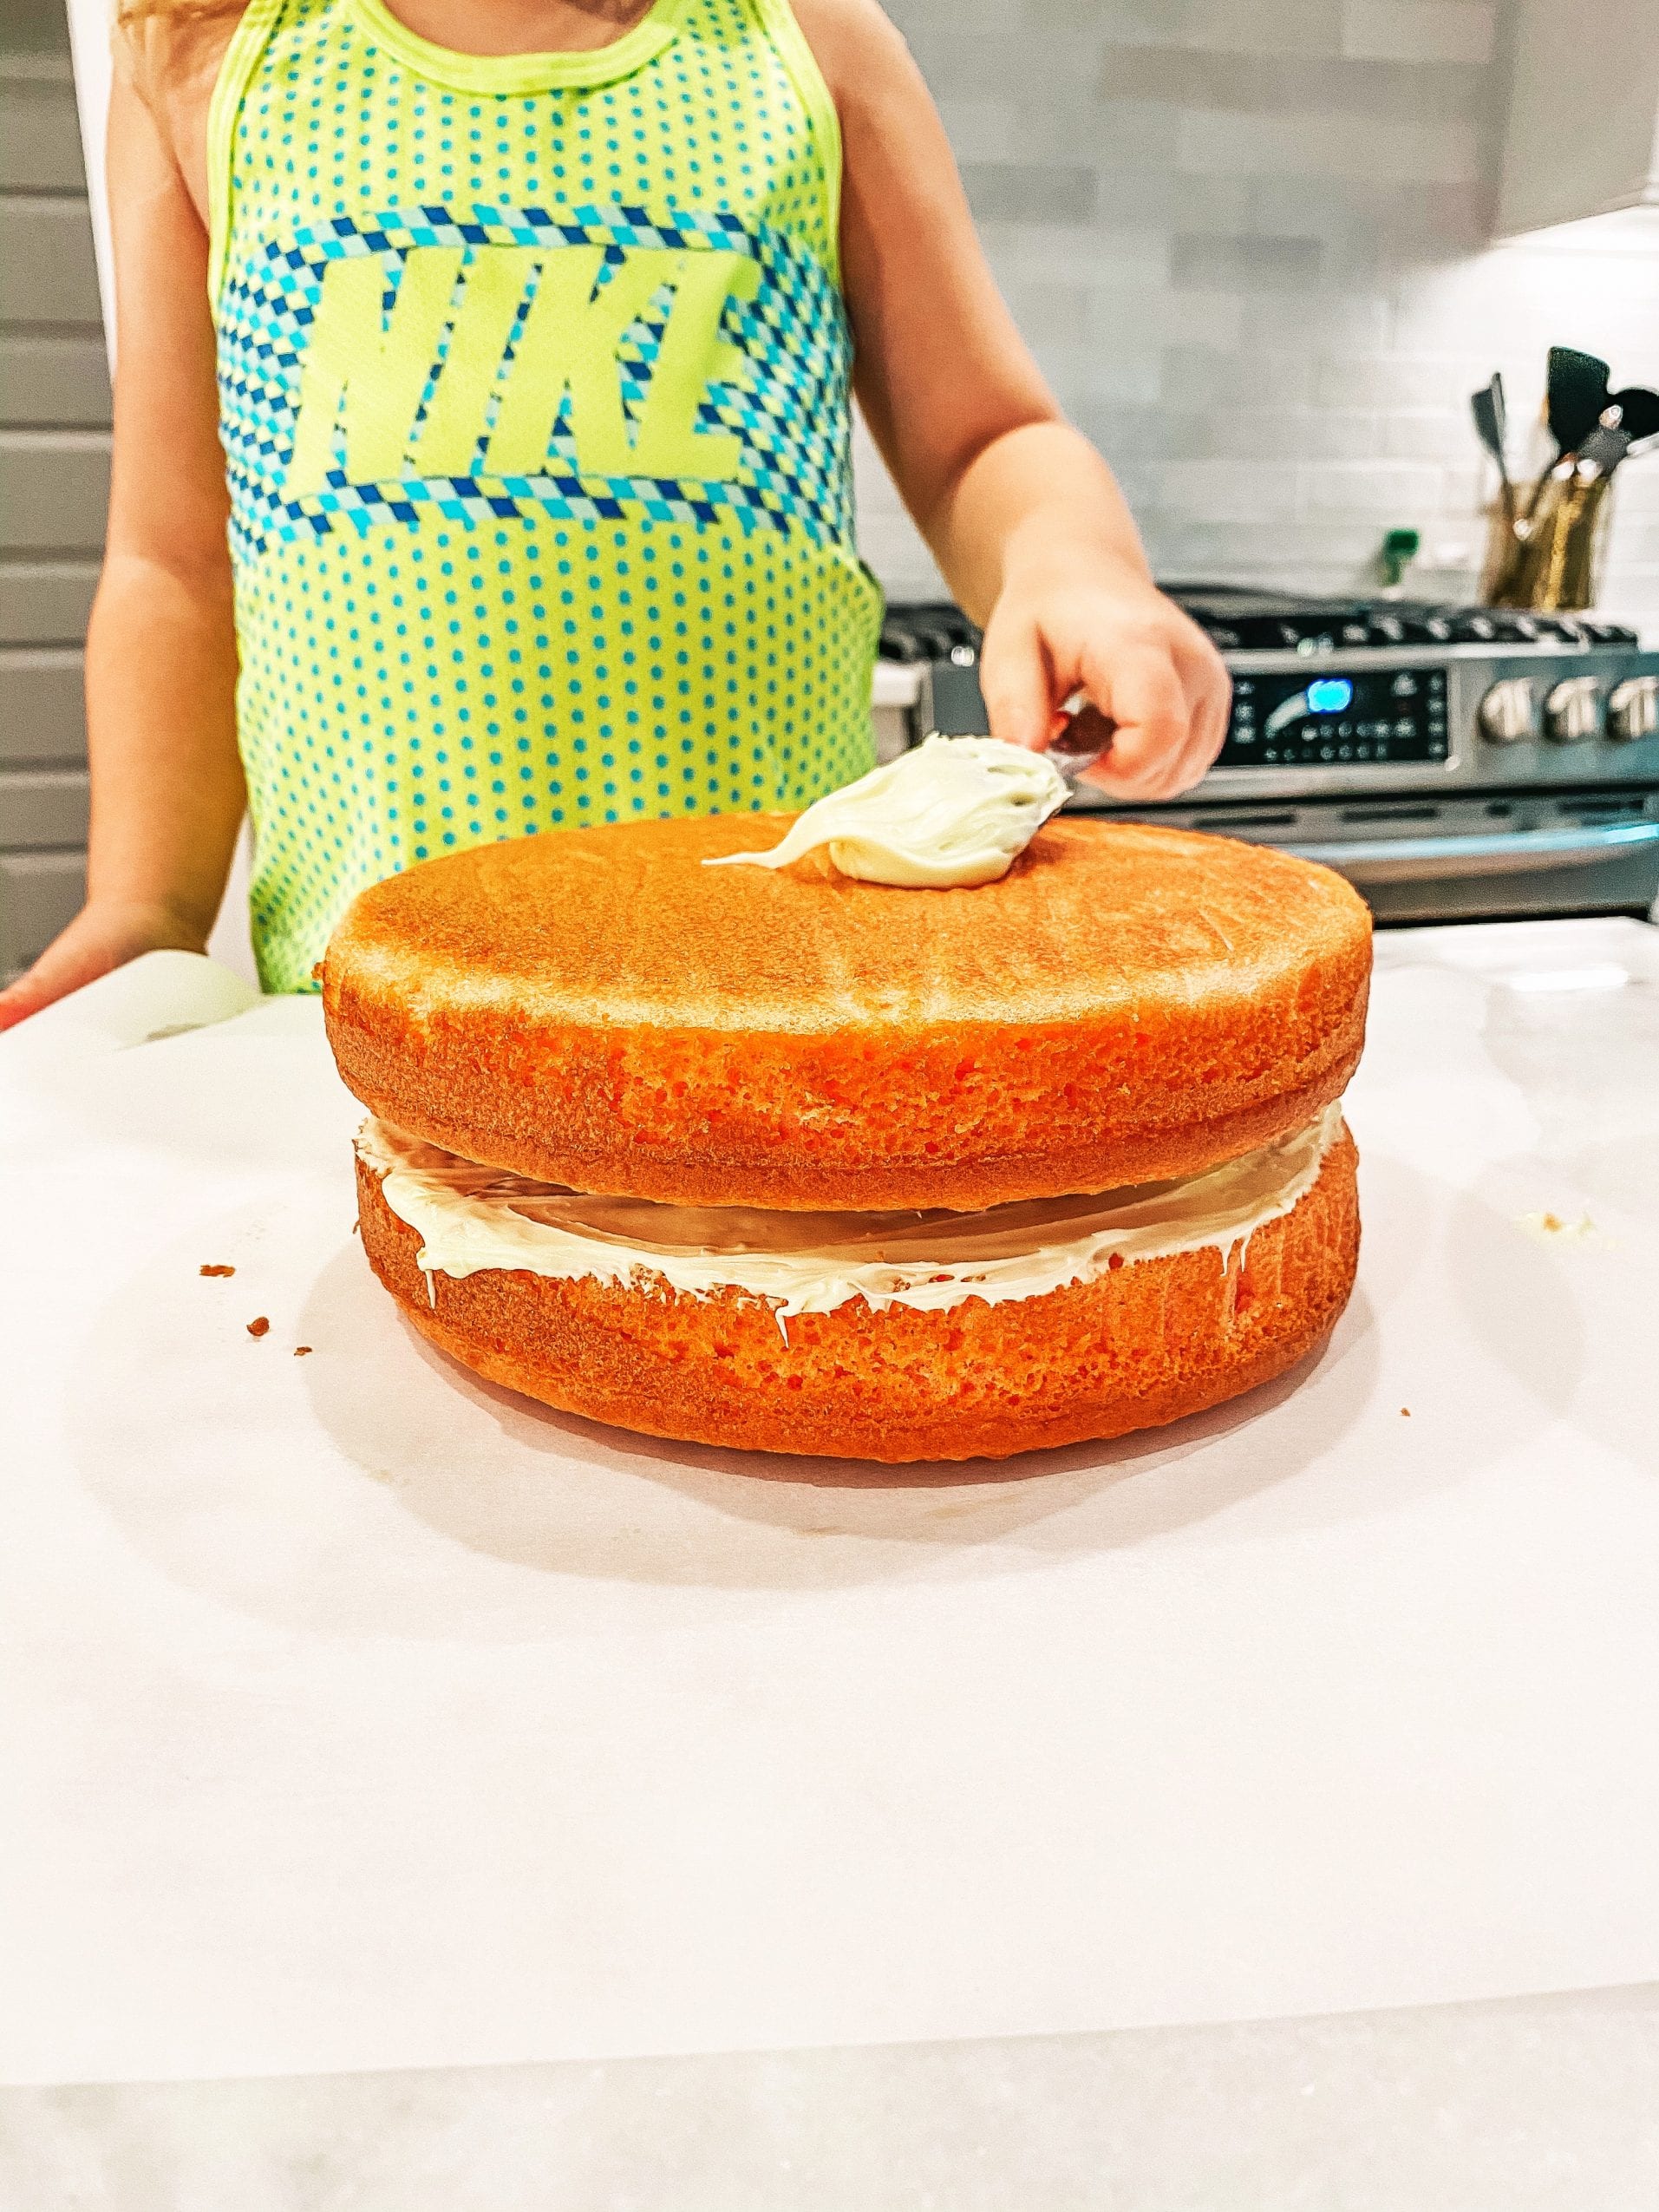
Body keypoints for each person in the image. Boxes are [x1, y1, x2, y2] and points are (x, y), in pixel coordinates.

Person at [0, 0, 1230, 1025]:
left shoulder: (804, 42)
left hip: (770, 1011)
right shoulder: (213, 56)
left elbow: (983, 441)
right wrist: (144, 910)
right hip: (370, 1029)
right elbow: (173, 564)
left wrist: (1073, 564)